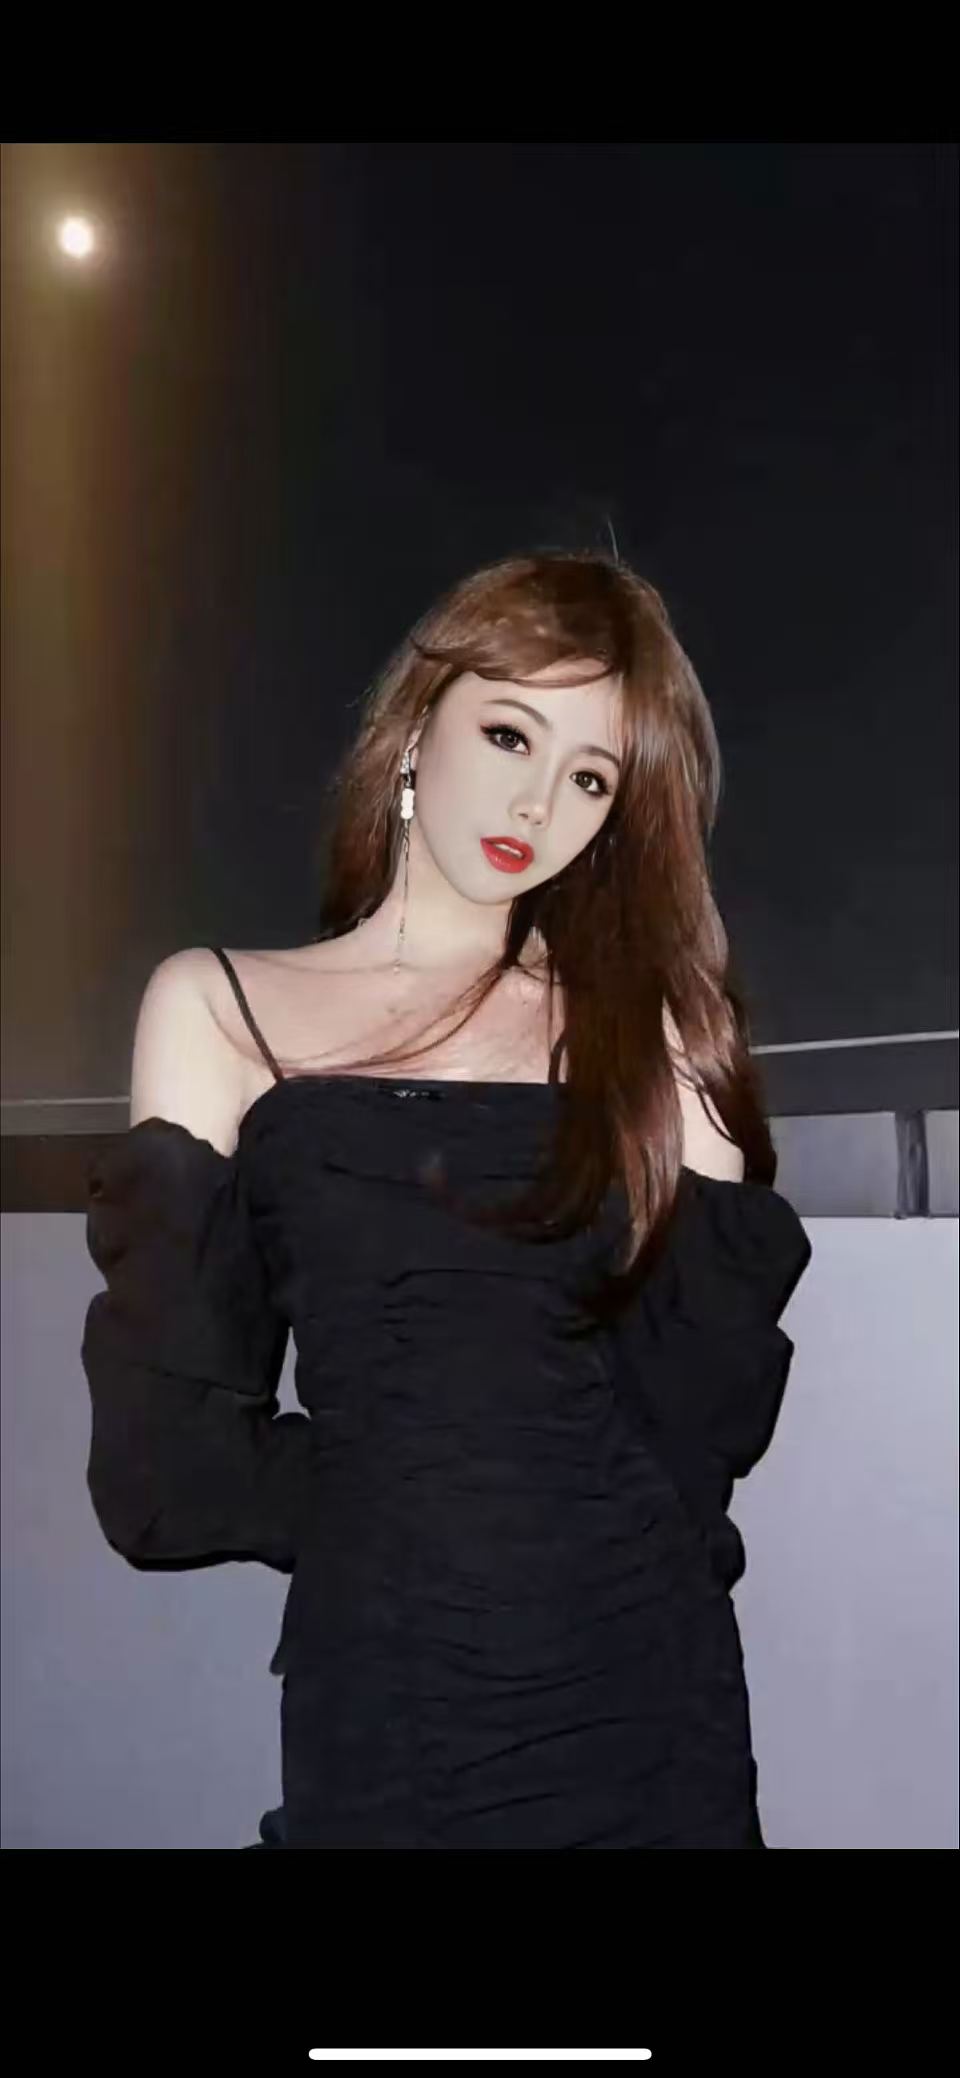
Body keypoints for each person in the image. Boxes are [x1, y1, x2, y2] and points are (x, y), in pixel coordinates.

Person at [81, 551, 813, 1849]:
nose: (538, 799)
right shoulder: (222, 1008)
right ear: (419, 725)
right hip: (398, 1697)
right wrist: (417, 1491)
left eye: (591, 776)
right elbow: (167, 1473)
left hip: (648, 1699)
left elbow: (696, 1435)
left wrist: (698, 1099)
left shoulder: (638, 1037)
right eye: (510, 732)